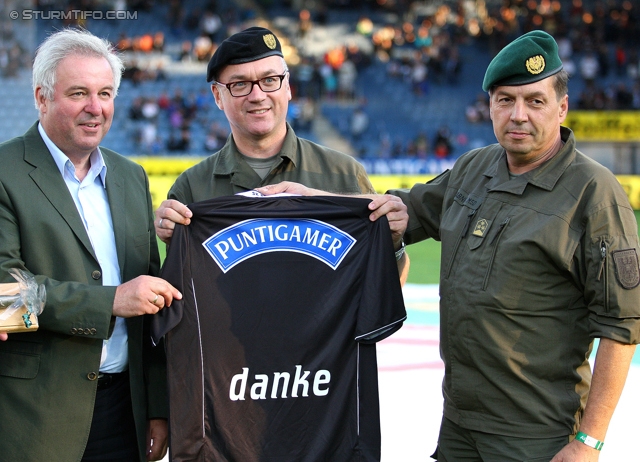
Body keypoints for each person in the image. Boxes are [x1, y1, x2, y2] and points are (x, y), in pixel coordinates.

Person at [257, 30, 640, 461]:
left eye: (535, 101)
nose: (518, 115)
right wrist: (313, 200)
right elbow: (399, 210)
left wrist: (589, 441)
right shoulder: (476, 167)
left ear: (561, 107)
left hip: (535, 432)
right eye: (505, 100)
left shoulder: (593, 191)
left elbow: (621, 327)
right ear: (489, 106)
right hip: (458, 422)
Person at [0, 28, 181, 462]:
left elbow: (151, 296)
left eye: (105, 93)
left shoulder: (131, 176)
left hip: (125, 413)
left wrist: (156, 405)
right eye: (78, 93)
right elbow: (4, 296)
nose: (95, 108)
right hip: (35, 417)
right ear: (42, 98)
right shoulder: (5, 171)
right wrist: (110, 302)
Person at [154, 26, 377, 245]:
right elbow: (181, 281)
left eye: (269, 80)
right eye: (240, 84)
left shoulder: (346, 175)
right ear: (218, 96)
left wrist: (393, 243)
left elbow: (379, 277)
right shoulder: (191, 188)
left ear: (288, 86)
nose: (258, 96)